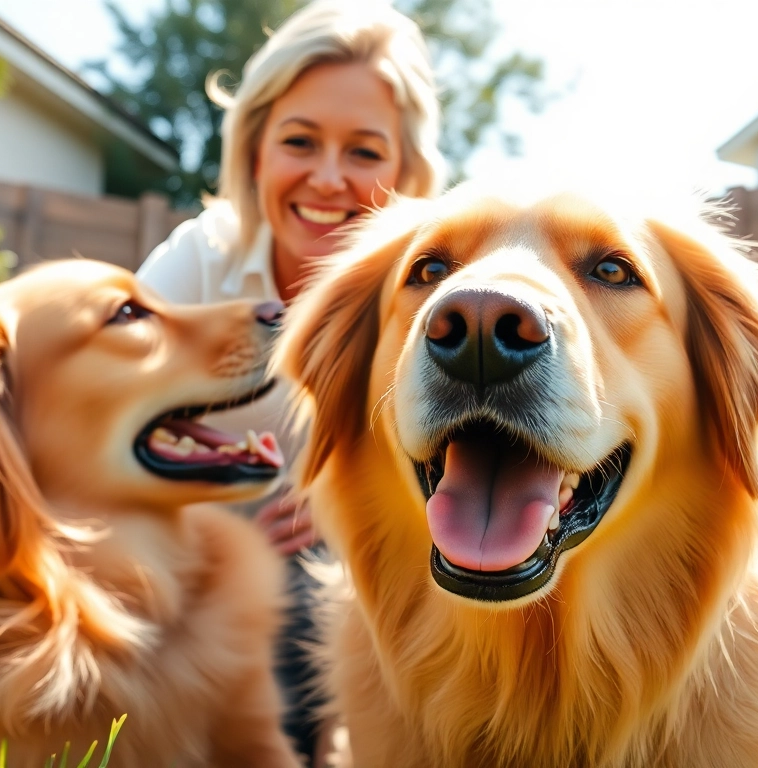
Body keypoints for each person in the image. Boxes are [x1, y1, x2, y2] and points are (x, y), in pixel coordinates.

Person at [135, 0, 445, 762]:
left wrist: (356, 521)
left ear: (408, 174)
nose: (329, 178)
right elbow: (81, 445)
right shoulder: (195, 267)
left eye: (366, 153)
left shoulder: (434, 303)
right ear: (254, 152)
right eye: (300, 141)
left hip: (342, 587)